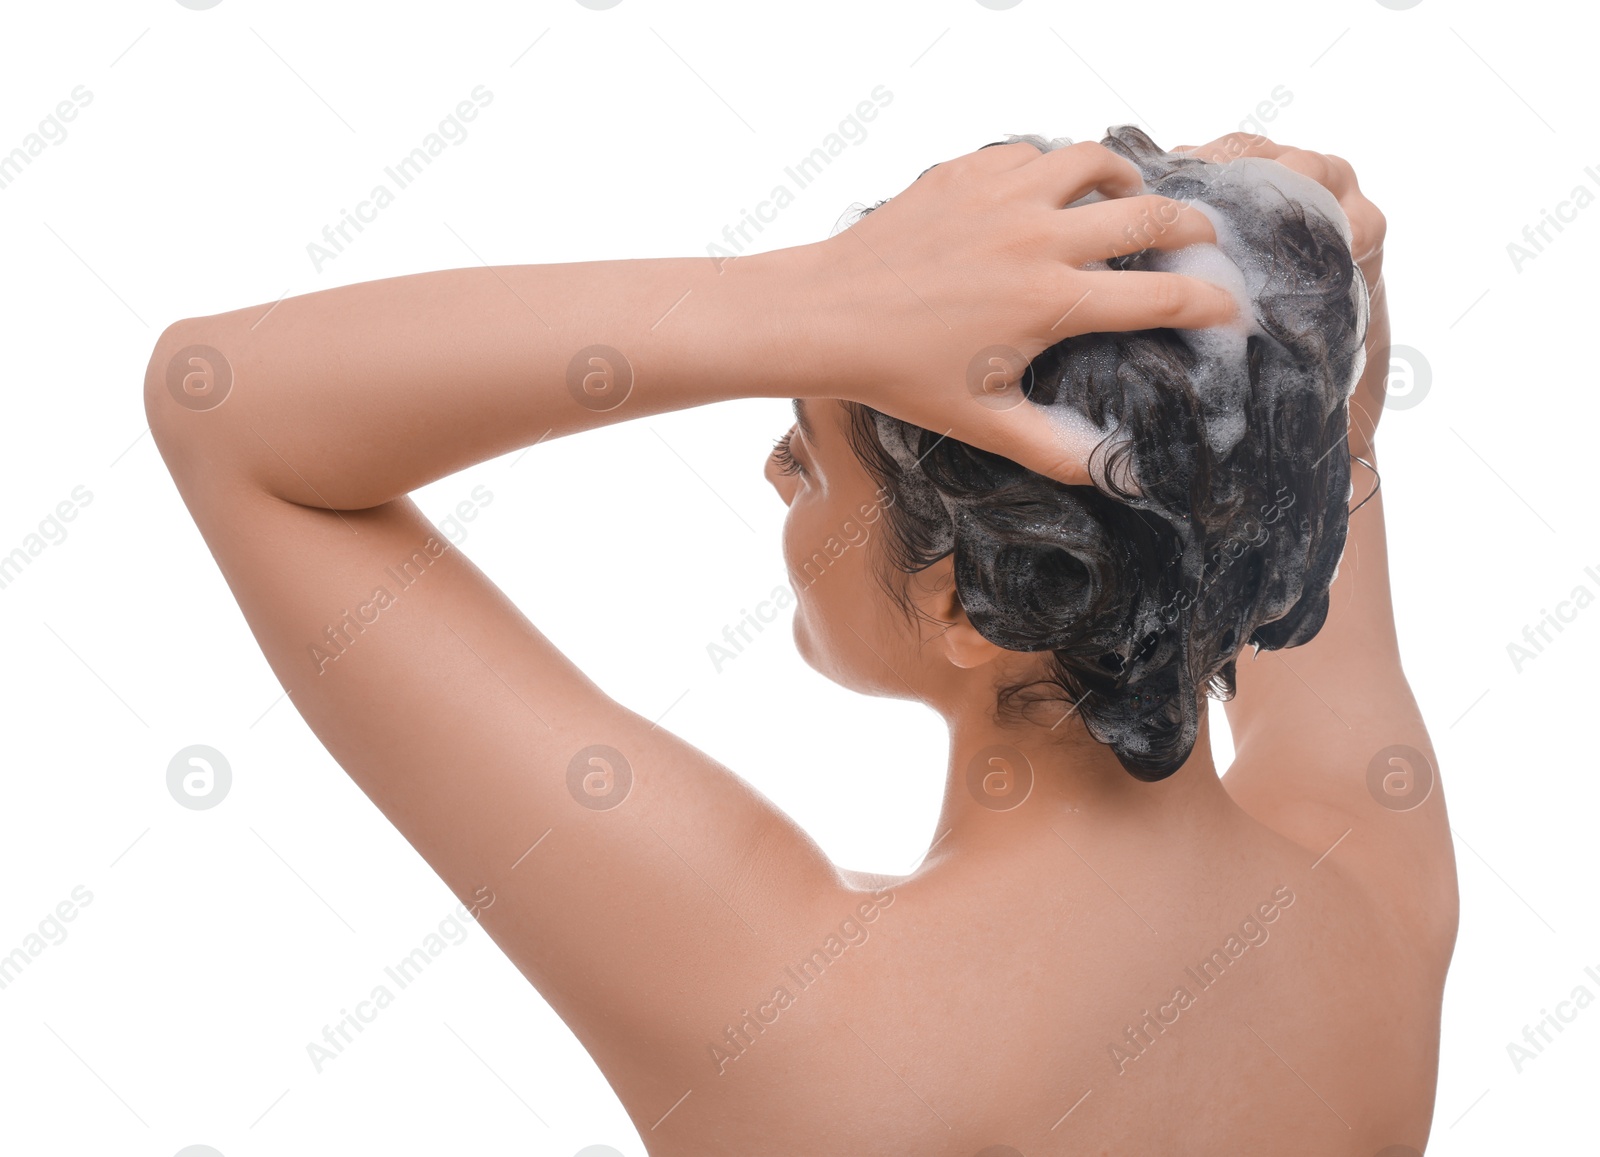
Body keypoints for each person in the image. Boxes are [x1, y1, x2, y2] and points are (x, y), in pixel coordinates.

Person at [144, 126, 1457, 1156]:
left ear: (963, 596)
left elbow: (224, 410)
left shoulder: (795, 1020)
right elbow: (1296, 480)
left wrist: (816, 300)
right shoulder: (1380, 901)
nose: (776, 475)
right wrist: (1296, 300)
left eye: (811, 448)